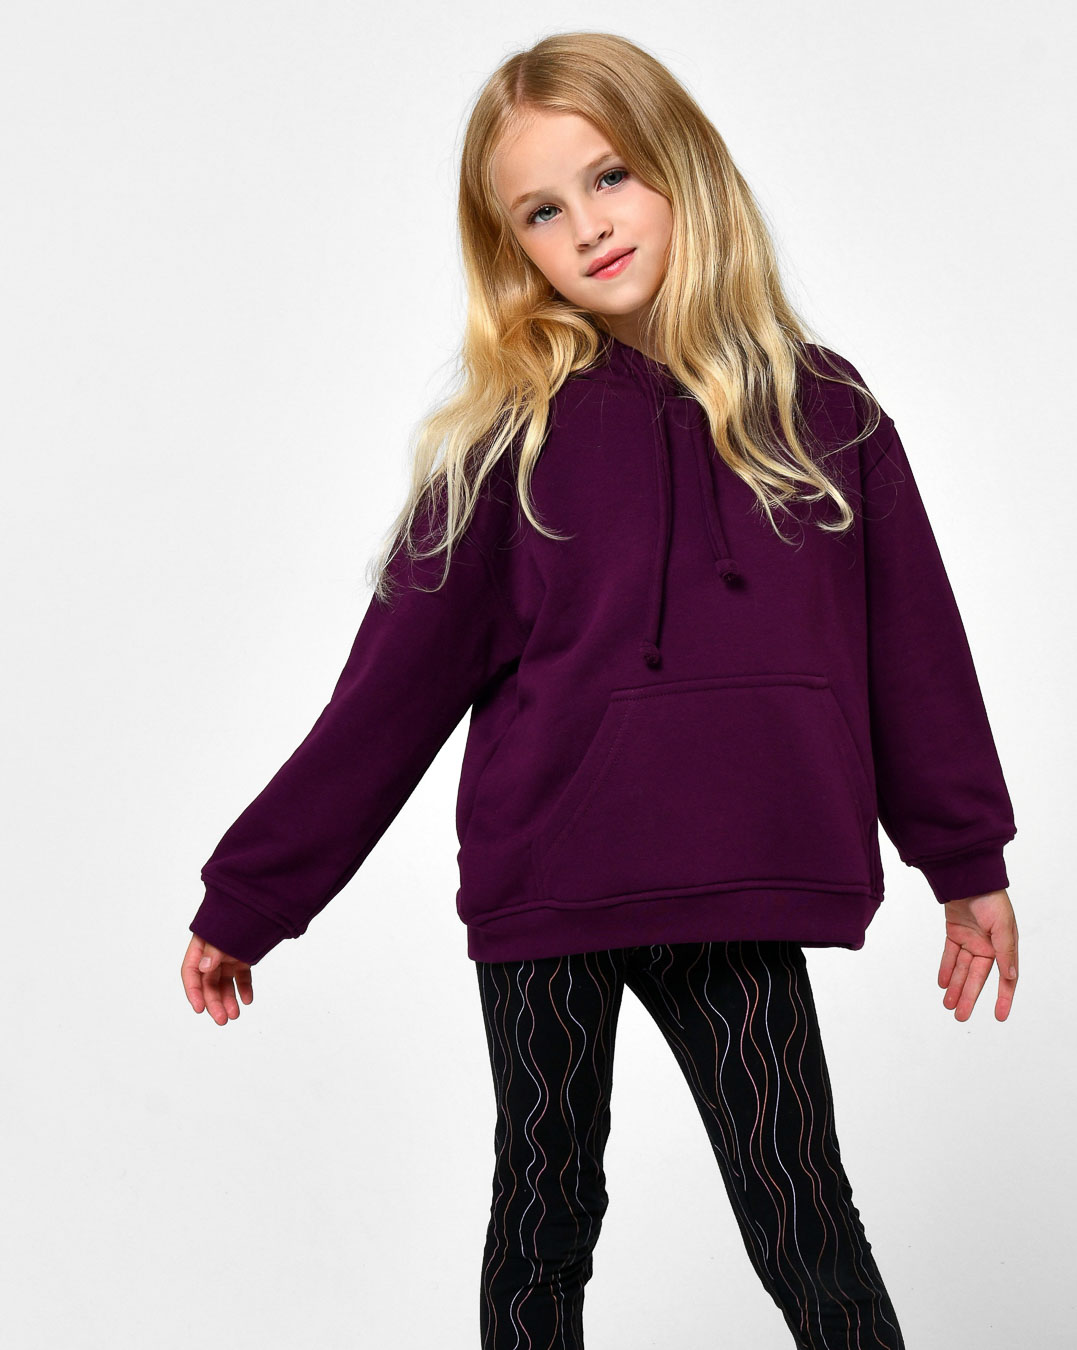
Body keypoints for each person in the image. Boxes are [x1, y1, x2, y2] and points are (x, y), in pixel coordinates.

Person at [180, 31, 1020, 1350]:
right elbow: (385, 700)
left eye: (611, 176)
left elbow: (912, 648)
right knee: (546, 1212)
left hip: (738, 878)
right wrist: (252, 896)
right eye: (541, 209)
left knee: (803, 1213)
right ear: (512, 246)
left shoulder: (823, 411)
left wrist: (964, 860)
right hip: (552, 887)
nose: (588, 225)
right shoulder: (507, 444)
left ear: (682, 167)